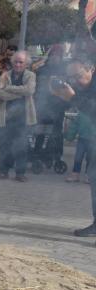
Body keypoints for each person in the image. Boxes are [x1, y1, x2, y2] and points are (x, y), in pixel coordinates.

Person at [51, 58, 96, 236]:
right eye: (72, 77)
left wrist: (73, 98)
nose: (76, 80)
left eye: (78, 75)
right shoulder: (86, 87)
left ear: (91, 68)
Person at [0, 51, 37, 182]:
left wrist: (9, 88)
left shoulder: (31, 75)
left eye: (21, 62)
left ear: (26, 64)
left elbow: (29, 90)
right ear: (12, 62)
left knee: (21, 147)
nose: (18, 64)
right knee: (4, 146)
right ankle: (3, 171)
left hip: (22, 118)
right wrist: (20, 93)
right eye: (16, 62)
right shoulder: (5, 75)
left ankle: (20, 173)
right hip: (5, 118)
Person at [64, 112, 93, 183]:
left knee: (90, 158)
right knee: (78, 157)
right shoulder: (81, 114)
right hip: (82, 139)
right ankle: (75, 175)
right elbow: (74, 126)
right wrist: (69, 137)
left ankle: (89, 176)